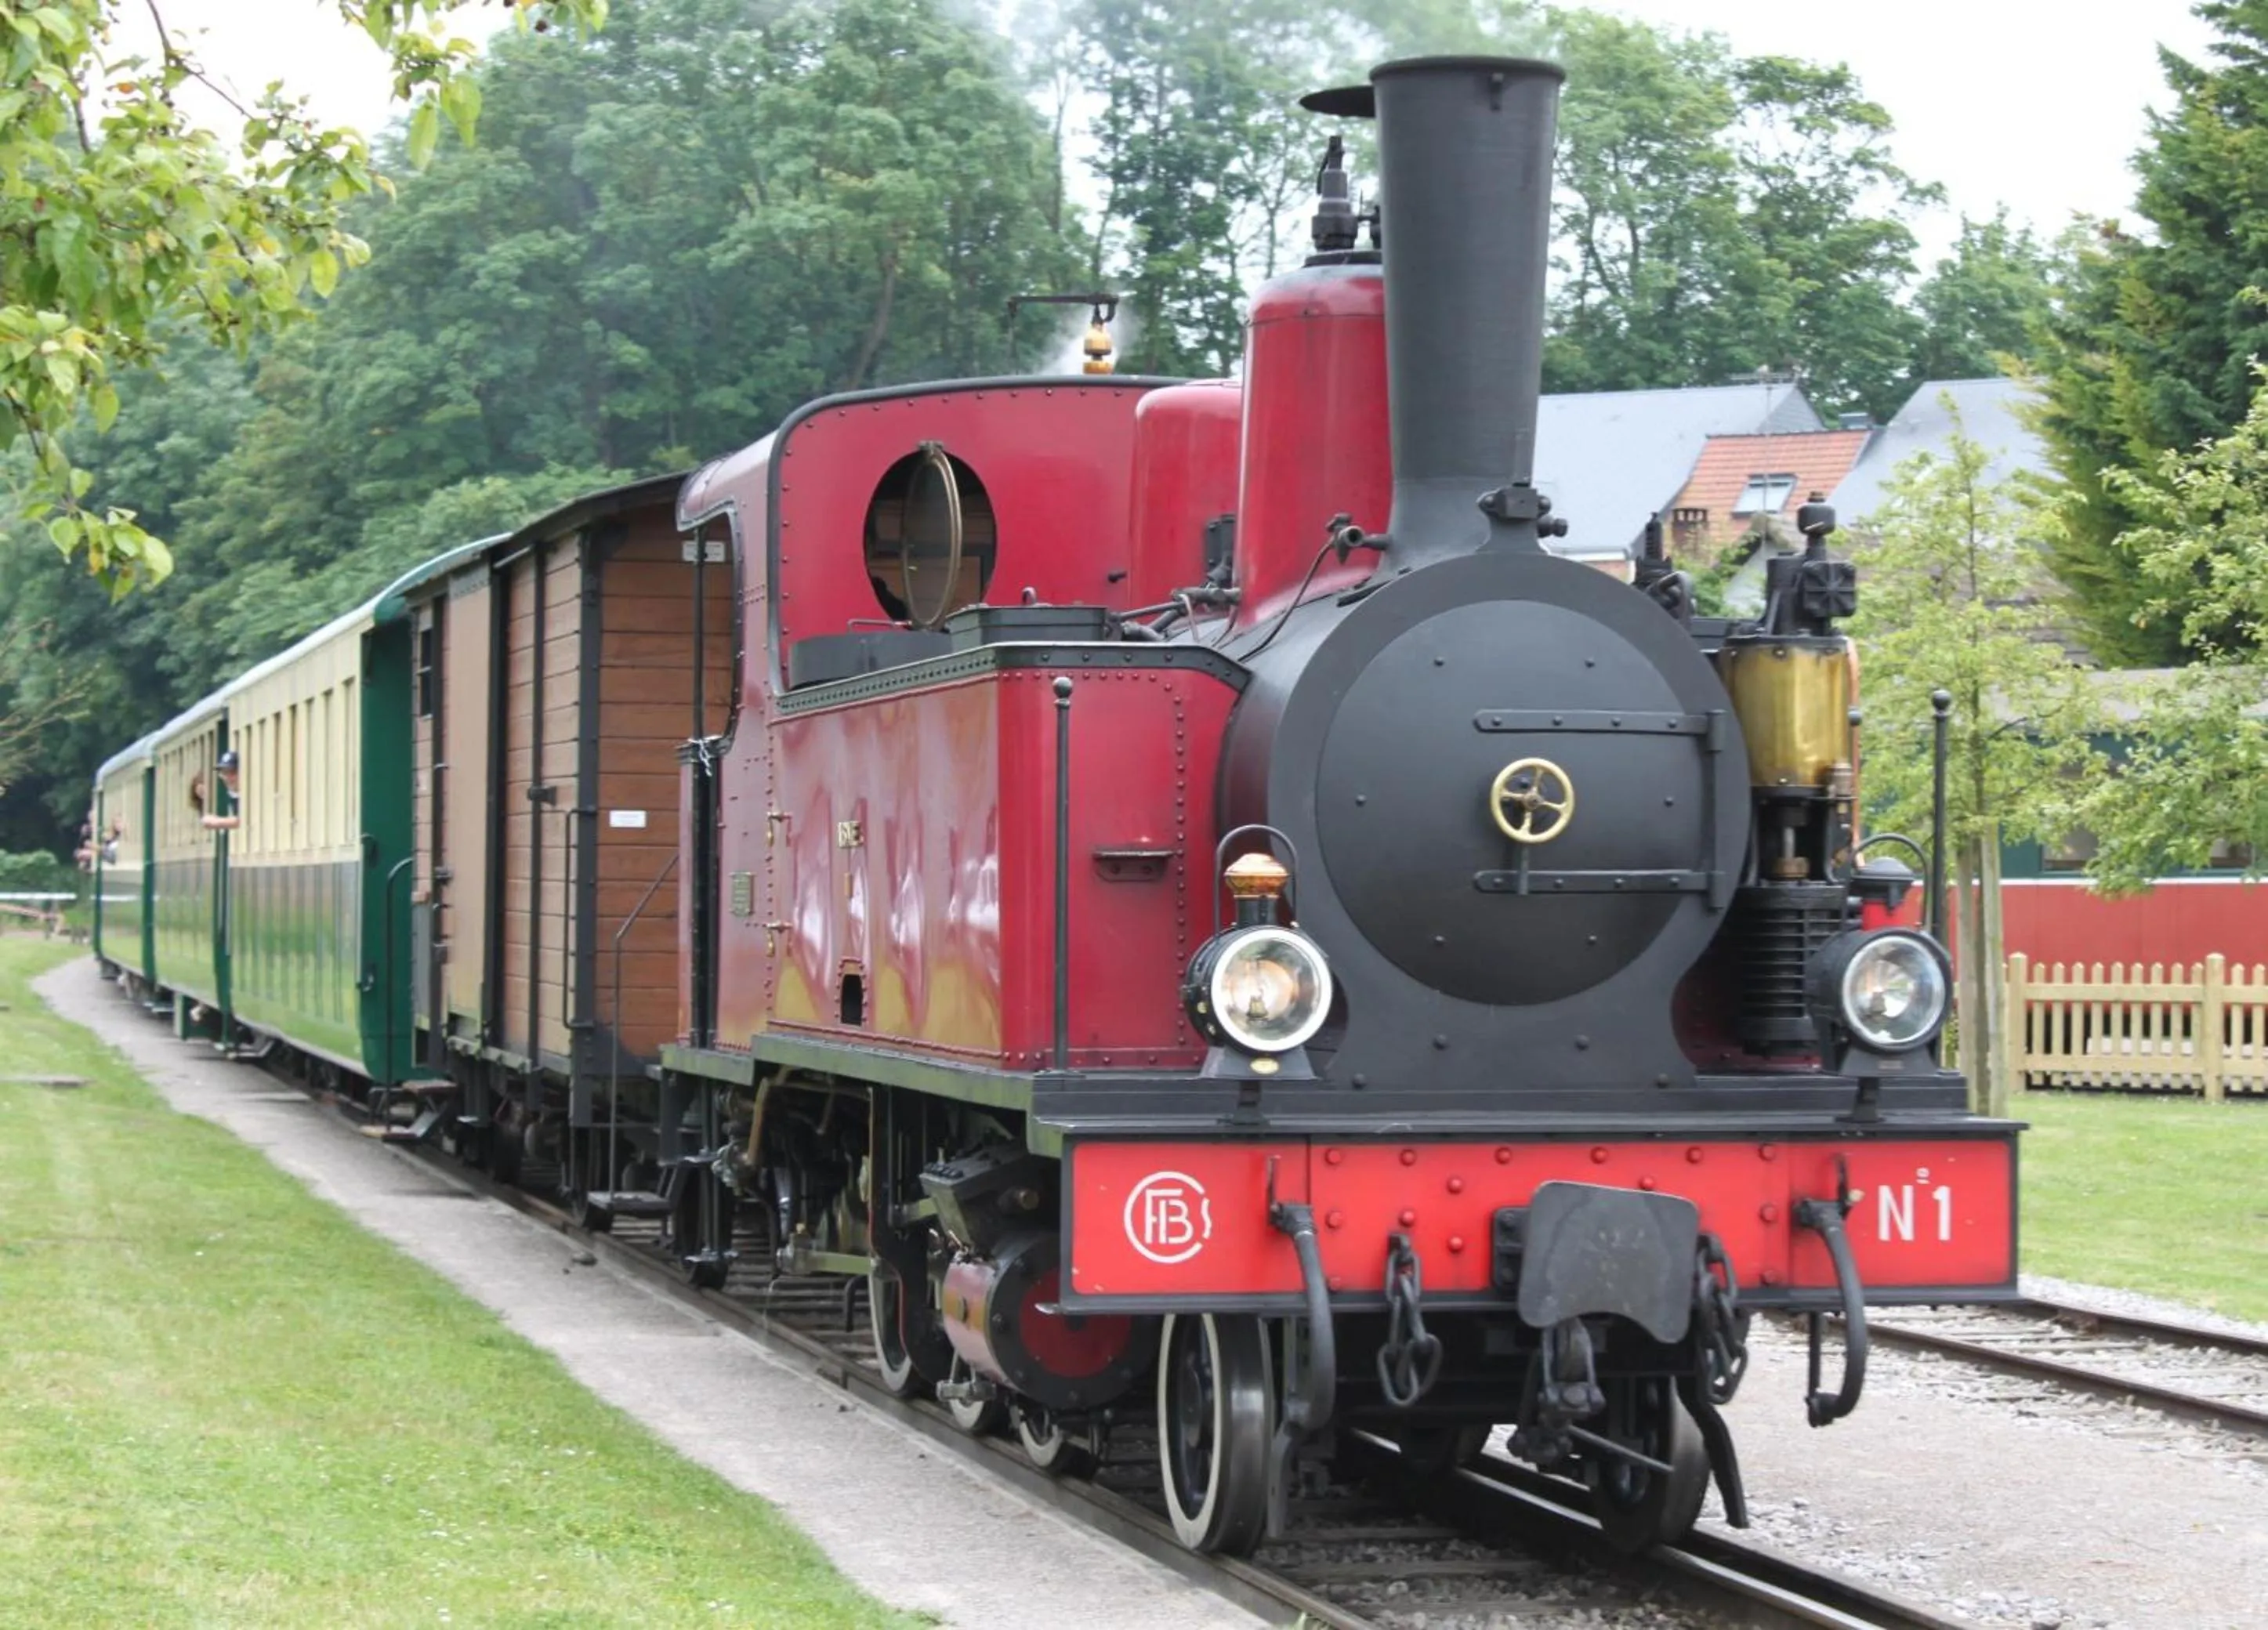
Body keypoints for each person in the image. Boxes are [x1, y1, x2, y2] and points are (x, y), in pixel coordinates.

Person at [200, 748, 241, 831]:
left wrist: (217, 822)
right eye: (224, 773)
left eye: (233, 772)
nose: (228, 778)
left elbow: (247, 820)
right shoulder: (228, 795)